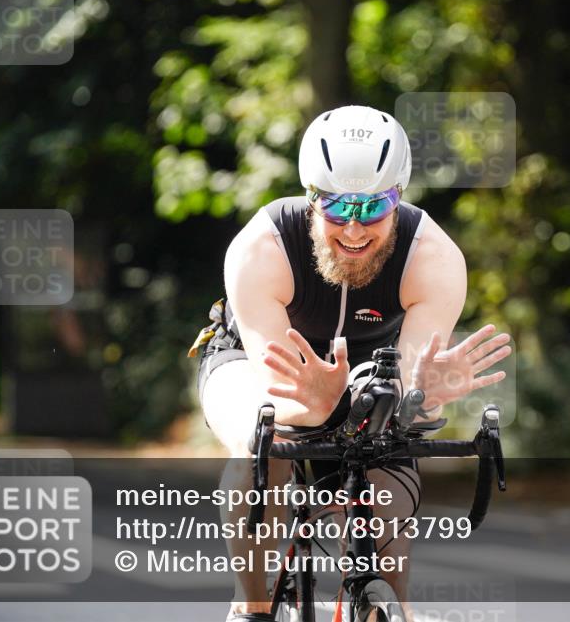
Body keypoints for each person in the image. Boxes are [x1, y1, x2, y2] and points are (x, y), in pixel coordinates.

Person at [190, 105, 512, 620]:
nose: (355, 228)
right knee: (265, 439)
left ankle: (380, 602)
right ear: (312, 197)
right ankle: (250, 606)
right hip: (257, 362)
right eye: (338, 207)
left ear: (399, 196)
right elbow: (278, 388)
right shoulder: (260, 248)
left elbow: (405, 388)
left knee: (385, 462)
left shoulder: (434, 257)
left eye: (374, 207)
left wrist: (420, 396)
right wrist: (314, 407)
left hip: (372, 367)